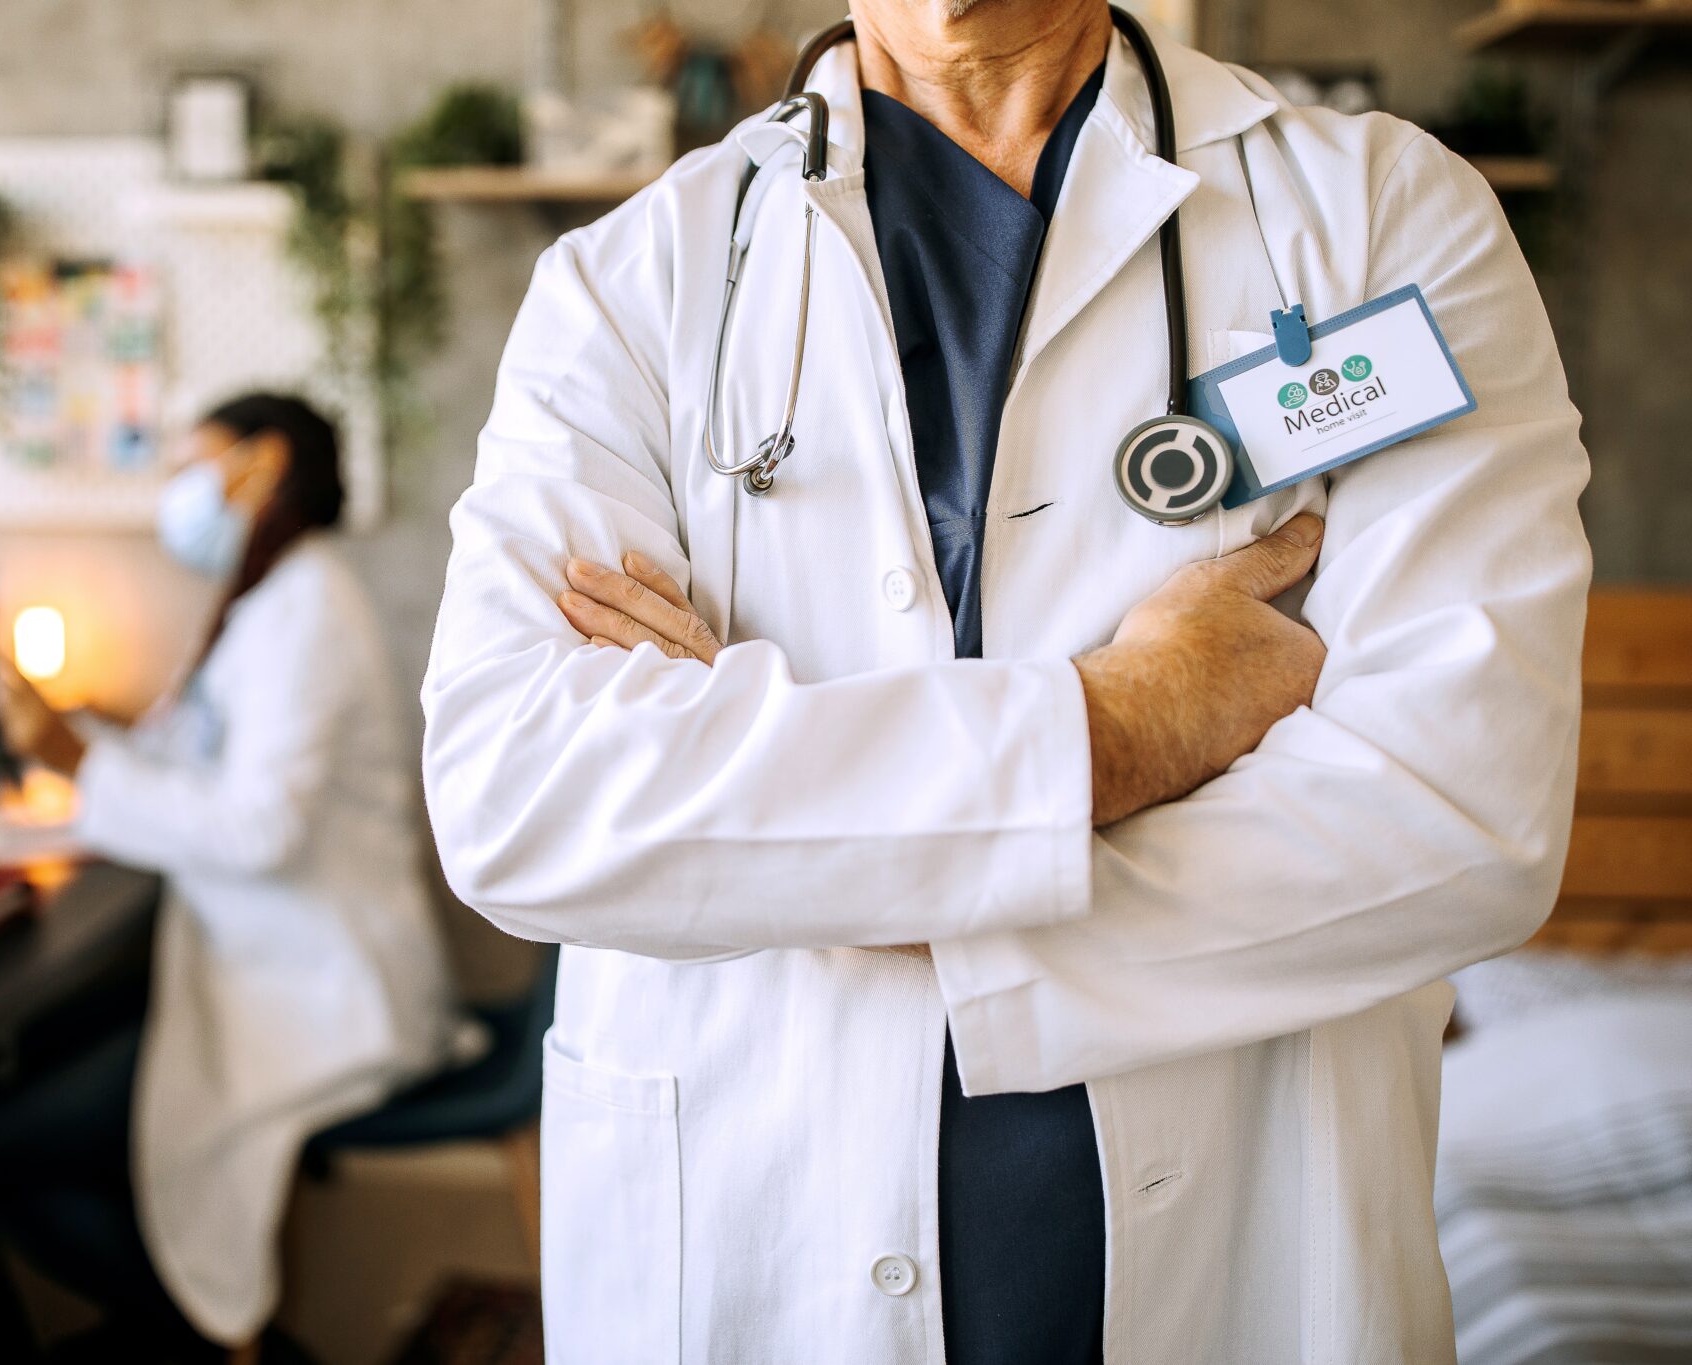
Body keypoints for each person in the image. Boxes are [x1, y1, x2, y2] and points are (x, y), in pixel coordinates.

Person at [420, 2, 1591, 1362]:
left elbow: (1461, 811)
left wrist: (798, 851)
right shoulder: (635, 283)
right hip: (757, 1260)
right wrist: (1134, 717)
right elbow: (521, 795)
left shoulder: (1378, 221)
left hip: (1243, 1263)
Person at [0, 393, 458, 1362]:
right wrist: (74, 748)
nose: (174, 492)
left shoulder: (306, 611)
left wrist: (81, 768)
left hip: (323, 989)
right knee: (21, 1077)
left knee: (0, 1152)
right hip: (273, 963)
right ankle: (201, 1334)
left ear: (259, 465)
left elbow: (257, 829)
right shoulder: (272, 597)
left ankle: (221, 1344)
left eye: (191, 464)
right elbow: (197, 767)